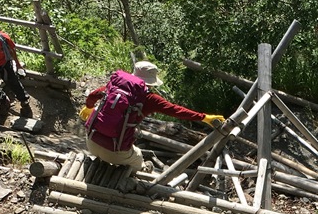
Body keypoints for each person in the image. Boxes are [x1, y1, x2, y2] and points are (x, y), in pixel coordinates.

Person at [81, 61, 226, 173]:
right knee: (138, 158)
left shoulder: (115, 87)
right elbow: (176, 110)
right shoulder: (150, 98)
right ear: (151, 81)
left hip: (91, 141)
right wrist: (204, 117)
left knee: (122, 149)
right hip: (115, 151)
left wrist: (89, 107)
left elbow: (93, 95)